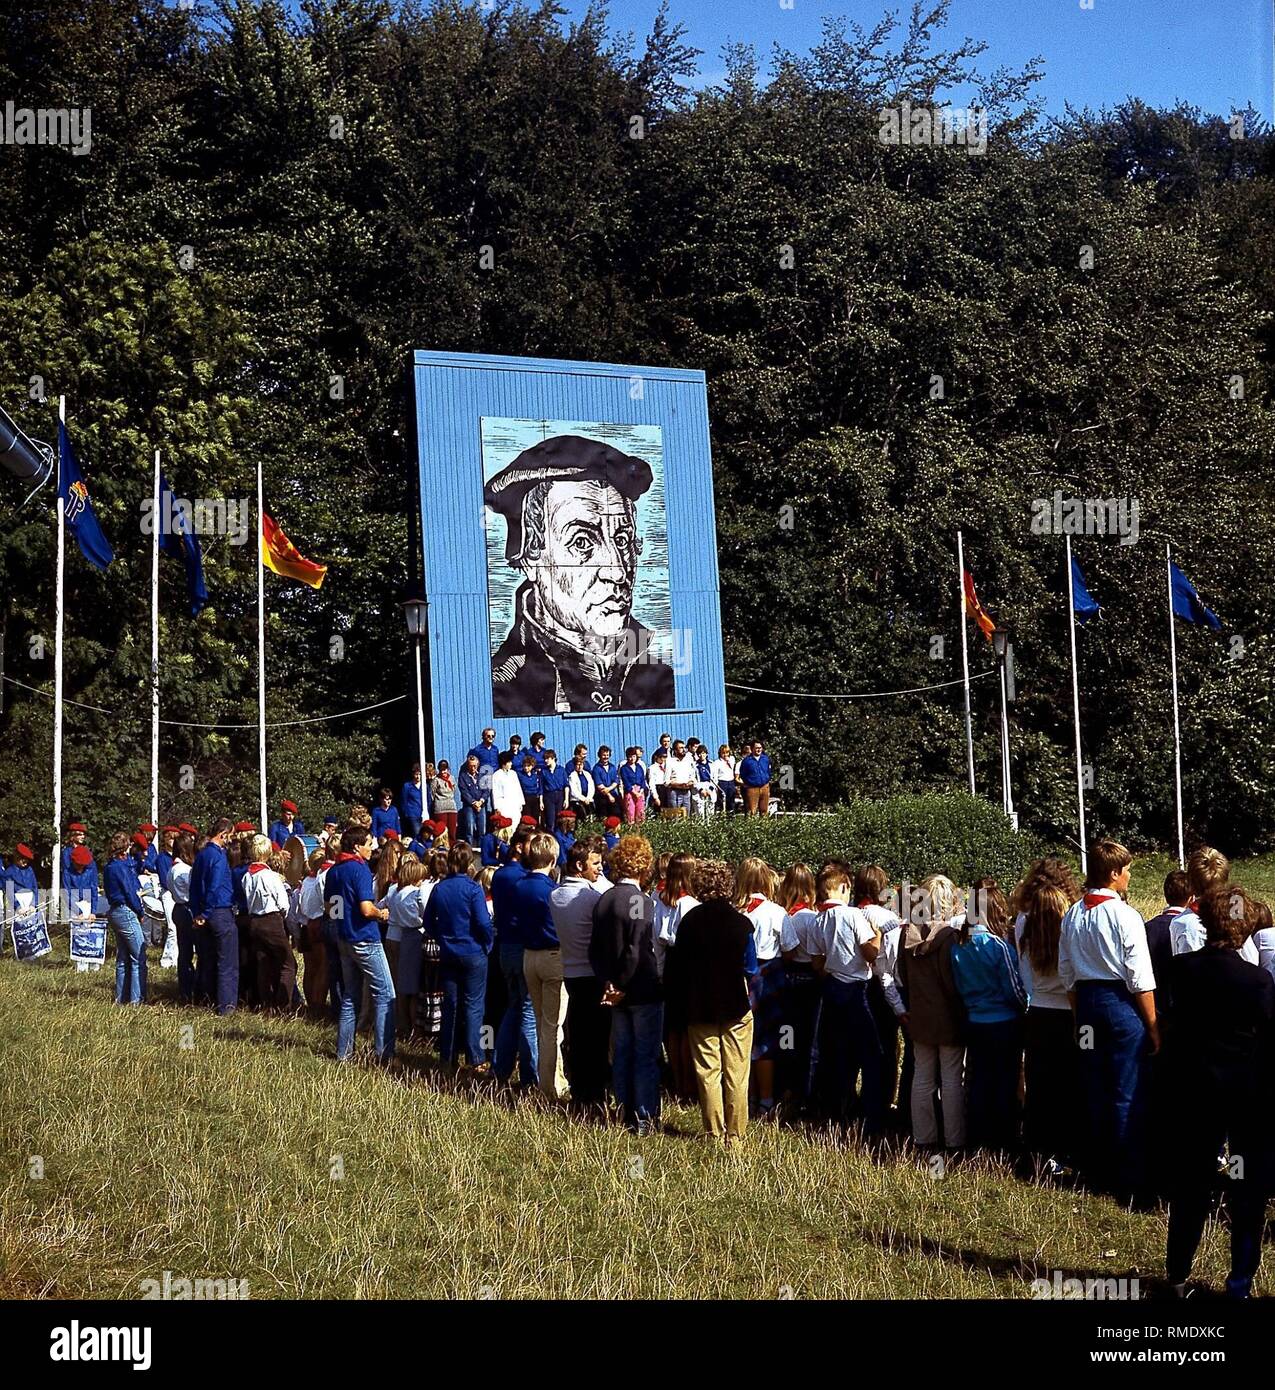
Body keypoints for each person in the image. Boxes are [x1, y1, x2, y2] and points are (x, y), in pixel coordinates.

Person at [483, 433, 677, 714]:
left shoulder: (661, 676)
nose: (619, 572)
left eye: (622, 540)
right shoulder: (503, 687)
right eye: (583, 542)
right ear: (530, 559)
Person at [1164, 886, 1275, 1299]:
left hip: (1195, 1089)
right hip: (1247, 1095)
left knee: (1190, 1186)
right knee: (1248, 1191)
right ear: (1245, 927)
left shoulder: (1182, 969)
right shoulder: (1258, 981)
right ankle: (1239, 1282)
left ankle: (1177, 1275)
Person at [1058, 839, 1158, 1202]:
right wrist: (1152, 1025)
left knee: (1093, 1085)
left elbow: (1066, 971)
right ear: (1114, 874)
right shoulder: (1125, 916)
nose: (1130, 876)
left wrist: (1076, 1015)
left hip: (1085, 1002)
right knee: (1125, 1089)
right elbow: (1139, 976)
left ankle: (1095, 1168)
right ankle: (1127, 1176)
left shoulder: (1073, 913)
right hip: (1119, 1003)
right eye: (1127, 870)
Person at [666, 860, 759, 1143]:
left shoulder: (688, 923)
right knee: (737, 1073)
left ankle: (713, 1132)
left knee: (708, 1072)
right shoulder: (742, 924)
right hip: (735, 1004)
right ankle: (736, 1134)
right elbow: (751, 967)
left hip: (698, 1005)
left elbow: (679, 965)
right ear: (728, 886)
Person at [590, 835, 663, 1134]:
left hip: (614, 990)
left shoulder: (604, 899)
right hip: (640, 989)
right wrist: (621, 984)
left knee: (621, 1052)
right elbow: (636, 947)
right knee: (645, 1055)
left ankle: (623, 1110)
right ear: (644, 865)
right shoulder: (638, 901)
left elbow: (595, 949)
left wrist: (608, 982)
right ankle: (643, 1117)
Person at [1014, 863, 1083, 1173]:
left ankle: (1037, 1152)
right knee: (1070, 1086)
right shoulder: (1071, 920)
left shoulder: (1022, 922)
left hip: (1038, 1011)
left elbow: (1023, 972)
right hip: (1068, 1012)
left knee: (1040, 1088)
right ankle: (1068, 1150)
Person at [951, 879, 1027, 1153]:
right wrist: (1025, 1007)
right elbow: (1014, 988)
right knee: (1005, 1081)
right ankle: (1004, 1139)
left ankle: (978, 1137)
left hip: (974, 1019)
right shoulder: (997, 946)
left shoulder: (958, 945)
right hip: (1003, 1022)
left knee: (980, 1081)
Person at [811, 860, 884, 1135]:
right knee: (872, 1054)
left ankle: (838, 1110)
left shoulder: (819, 920)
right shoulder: (853, 915)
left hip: (831, 988)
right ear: (843, 887)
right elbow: (870, 953)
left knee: (839, 1054)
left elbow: (817, 962)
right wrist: (876, 933)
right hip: (856, 989)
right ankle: (871, 1114)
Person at [896, 874, 966, 1150]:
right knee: (951, 1080)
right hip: (948, 1015)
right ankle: (954, 1139)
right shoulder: (950, 938)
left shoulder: (907, 935)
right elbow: (953, 982)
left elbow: (901, 974)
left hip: (920, 1013)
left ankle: (923, 1137)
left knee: (922, 1077)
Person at [325, 827, 395, 1062]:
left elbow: (330, 908)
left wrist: (345, 921)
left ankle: (344, 1053)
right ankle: (384, 1054)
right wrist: (381, 913)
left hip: (344, 937)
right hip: (365, 938)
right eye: (368, 843)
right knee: (385, 993)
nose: (372, 847)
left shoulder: (334, 871)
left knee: (350, 995)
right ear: (356, 846)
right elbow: (366, 909)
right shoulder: (360, 870)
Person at [425, 843, 493, 1071]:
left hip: (449, 952)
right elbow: (483, 923)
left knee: (451, 1005)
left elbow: (428, 922)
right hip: (473, 951)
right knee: (474, 1005)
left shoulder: (440, 888)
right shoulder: (473, 889)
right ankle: (476, 1057)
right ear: (469, 863)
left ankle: (448, 1055)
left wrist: (441, 937)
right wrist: (487, 943)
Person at [552, 838, 608, 1109]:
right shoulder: (592, 898)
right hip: (591, 973)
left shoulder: (555, 895)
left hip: (571, 971)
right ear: (579, 865)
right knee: (595, 1038)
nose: (600, 868)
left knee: (578, 1033)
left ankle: (580, 1091)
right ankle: (594, 1093)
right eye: (595, 863)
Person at [512, 832, 569, 1099]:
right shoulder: (551, 891)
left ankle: (549, 1077)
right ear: (553, 858)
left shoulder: (519, 885)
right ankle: (551, 1085)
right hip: (552, 956)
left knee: (541, 1022)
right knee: (552, 1026)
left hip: (528, 955)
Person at [856, 865, 908, 1124]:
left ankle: (863, 1104)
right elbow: (889, 966)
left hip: (857, 985)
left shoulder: (851, 913)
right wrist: (899, 1007)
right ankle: (880, 1108)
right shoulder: (887, 919)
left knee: (862, 1050)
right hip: (882, 989)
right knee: (886, 1050)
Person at [735, 858, 786, 1117]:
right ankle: (765, 1100)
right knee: (766, 1041)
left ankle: (750, 1096)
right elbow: (790, 945)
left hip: (742, 977)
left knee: (745, 1038)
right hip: (770, 976)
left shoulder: (738, 911)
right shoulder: (776, 912)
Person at [491, 831, 537, 1089]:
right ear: (520, 847)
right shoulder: (519, 877)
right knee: (528, 1010)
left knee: (514, 1007)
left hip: (506, 945)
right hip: (521, 946)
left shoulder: (500, 874)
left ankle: (500, 1067)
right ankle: (531, 1076)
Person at [653, 852, 700, 1099]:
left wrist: (660, 971)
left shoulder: (661, 899)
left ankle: (676, 1079)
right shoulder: (690, 904)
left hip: (670, 963)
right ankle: (687, 1085)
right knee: (684, 1028)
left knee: (673, 1027)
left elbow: (656, 940)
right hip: (685, 963)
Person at [779, 863, 821, 1108]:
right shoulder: (813, 918)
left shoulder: (787, 916)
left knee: (788, 1036)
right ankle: (807, 1092)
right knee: (811, 1039)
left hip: (788, 979)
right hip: (811, 980)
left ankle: (786, 1087)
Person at [189, 817, 238, 1015]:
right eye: (231, 836)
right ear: (223, 834)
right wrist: (207, 911)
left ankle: (206, 999)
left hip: (204, 911)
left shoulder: (201, 855)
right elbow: (214, 886)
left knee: (207, 959)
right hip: (219, 910)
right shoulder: (218, 857)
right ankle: (226, 1007)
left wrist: (197, 912)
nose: (231, 840)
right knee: (227, 962)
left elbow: (194, 886)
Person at [243, 834, 295, 1010]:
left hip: (255, 920)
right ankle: (283, 1004)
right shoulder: (270, 876)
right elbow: (283, 903)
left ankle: (265, 1003)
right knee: (288, 963)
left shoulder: (247, 876)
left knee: (263, 963)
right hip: (271, 919)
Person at [388, 855, 433, 1038]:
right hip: (415, 935)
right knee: (415, 987)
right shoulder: (414, 894)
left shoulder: (397, 893)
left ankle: (403, 1024)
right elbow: (419, 917)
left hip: (404, 936)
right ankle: (416, 1028)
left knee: (403, 985)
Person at [104, 831, 148, 1005]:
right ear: (125, 849)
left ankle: (121, 998)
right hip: (126, 911)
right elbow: (130, 892)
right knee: (139, 956)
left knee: (123, 957)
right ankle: (137, 999)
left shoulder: (109, 867)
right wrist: (140, 911)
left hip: (115, 911)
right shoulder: (121, 868)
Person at [1145, 868, 1190, 1027]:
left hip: (1153, 1005)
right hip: (1182, 1006)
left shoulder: (1147, 927)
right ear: (1191, 898)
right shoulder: (1191, 927)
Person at [296, 845, 333, 1017]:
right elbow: (328, 905)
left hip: (307, 924)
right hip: (318, 922)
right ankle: (318, 1004)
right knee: (322, 967)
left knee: (311, 968)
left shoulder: (305, 882)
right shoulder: (321, 879)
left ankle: (312, 1002)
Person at [168, 833, 199, 1004]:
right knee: (193, 950)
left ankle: (184, 988)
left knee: (184, 951)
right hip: (187, 908)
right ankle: (190, 988)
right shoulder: (184, 871)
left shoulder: (172, 869)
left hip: (178, 908)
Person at [457, 754, 486, 846]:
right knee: (470, 829)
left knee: (482, 829)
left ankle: (482, 849)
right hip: (469, 806)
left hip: (481, 805)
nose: (473, 768)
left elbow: (487, 790)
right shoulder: (463, 776)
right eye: (471, 765)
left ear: (478, 765)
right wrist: (473, 803)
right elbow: (464, 791)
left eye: (474, 765)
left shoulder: (482, 776)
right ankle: (469, 849)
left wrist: (481, 801)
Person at [491, 750, 525, 829]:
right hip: (504, 806)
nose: (511, 764)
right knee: (506, 826)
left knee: (516, 823)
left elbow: (518, 789)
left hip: (514, 804)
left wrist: (520, 803)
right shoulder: (497, 775)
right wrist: (497, 808)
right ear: (503, 763)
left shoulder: (513, 773)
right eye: (509, 762)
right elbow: (495, 793)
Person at [468, 728, 501, 809]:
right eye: (488, 736)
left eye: (493, 736)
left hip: (494, 777)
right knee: (484, 800)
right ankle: (485, 819)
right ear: (483, 737)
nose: (491, 738)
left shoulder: (495, 749)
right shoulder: (477, 750)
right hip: (483, 777)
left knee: (496, 800)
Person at [739, 740, 772, 816]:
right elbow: (743, 774)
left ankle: (764, 827)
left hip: (764, 787)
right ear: (752, 748)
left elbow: (769, 771)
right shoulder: (746, 761)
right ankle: (751, 827)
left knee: (764, 811)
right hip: (752, 788)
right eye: (757, 748)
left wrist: (767, 780)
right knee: (751, 812)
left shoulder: (765, 759)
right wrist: (749, 783)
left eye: (760, 748)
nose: (759, 750)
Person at [663, 739, 697, 814]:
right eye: (681, 748)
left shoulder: (688, 761)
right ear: (675, 750)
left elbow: (693, 776)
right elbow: (666, 781)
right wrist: (679, 785)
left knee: (687, 815)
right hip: (674, 792)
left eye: (684, 747)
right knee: (675, 817)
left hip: (687, 792)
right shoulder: (670, 762)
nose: (684, 750)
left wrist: (691, 782)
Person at [429, 761, 459, 844]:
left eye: (445, 769)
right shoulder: (436, 780)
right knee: (442, 830)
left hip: (451, 807)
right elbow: (432, 794)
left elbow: (454, 790)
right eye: (441, 770)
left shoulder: (452, 778)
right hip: (440, 808)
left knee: (452, 830)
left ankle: (452, 847)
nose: (443, 772)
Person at [618, 747, 649, 824]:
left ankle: (640, 830)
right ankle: (631, 830)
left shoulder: (639, 767)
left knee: (640, 812)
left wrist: (641, 791)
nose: (632, 759)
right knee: (630, 812)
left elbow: (642, 780)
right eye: (630, 757)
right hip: (630, 792)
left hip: (640, 791)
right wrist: (634, 792)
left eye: (634, 756)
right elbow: (626, 782)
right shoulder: (624, 768)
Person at [592, 746, 620, 820]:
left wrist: (609, 789)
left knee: (616, 815)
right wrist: (608, 795)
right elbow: (599, 785)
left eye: (607, 755)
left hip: (613, 794)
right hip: (601, 796)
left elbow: (616, 781)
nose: (606, 757)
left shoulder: (612, 767)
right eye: (604, 755)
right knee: (603, 817)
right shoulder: (596, 768)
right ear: (600, 755)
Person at [710, 745, 739, 816]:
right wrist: (716, 786)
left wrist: (728, 761)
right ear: (720, 753)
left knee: (731, 801)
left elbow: (733, 768)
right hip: (722, 782)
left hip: (731, 782)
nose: (725, 754)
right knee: (722, 801)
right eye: (723, 753)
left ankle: (731, 817)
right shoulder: (717, 763)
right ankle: (721, 817)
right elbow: (715, 775)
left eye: (727, 752)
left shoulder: (731, 759)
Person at [516, 753, 544, 825]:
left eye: (528, 766)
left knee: (535, 818)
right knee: (527, 818)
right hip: (525, 798)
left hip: (535, 798)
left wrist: (540, 801)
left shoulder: (536, 775)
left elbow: (540, 788)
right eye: (524, 766)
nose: (526, 768)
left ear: (532, 766)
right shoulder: (520, 775)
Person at [567, 749, 595, 818]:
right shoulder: (572, 775)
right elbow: (574, 791)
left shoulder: (587, 774)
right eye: (578, 765)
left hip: (588, 800)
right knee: (581, 815)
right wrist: (583, 799)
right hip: (577, 800)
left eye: (581, 765)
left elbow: (591, 787)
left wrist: (588, 798)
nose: (579, 767)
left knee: (591, 816)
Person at [401, 763, 426, 840]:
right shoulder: (407, 786)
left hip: (423, 813)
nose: (418, 776)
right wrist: (407, 813)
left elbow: (428, 799)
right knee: (417, 834)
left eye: (419, 774)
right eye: (416, 774)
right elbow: (404, 800)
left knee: (425, 834)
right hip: (413, 814)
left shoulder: (425, 786)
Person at [692, 746, 717, 820]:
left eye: (703, 753)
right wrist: (700, 789)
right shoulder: (694, 765)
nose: (701, 755)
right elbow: (693, 778)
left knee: (710, 811)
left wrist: (711, 789)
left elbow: (715, 778)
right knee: (700, 813)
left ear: (706, 754)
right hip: (699, 787)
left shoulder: (712, 764)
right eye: (699, 753)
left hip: (709, 787)